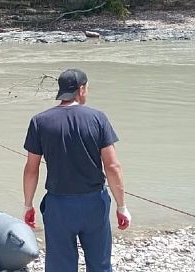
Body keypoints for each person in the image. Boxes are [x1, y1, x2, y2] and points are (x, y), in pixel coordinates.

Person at [23, 68, 131, 272]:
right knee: (99, 264)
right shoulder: (98, 118)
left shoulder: (40, 121)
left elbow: (31, 169)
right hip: (93, 203)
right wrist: (121, 206)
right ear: (81, 90)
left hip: (58, 204)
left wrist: (28, 205)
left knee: (60, 265)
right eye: (87, 88)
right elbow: (112, 166)